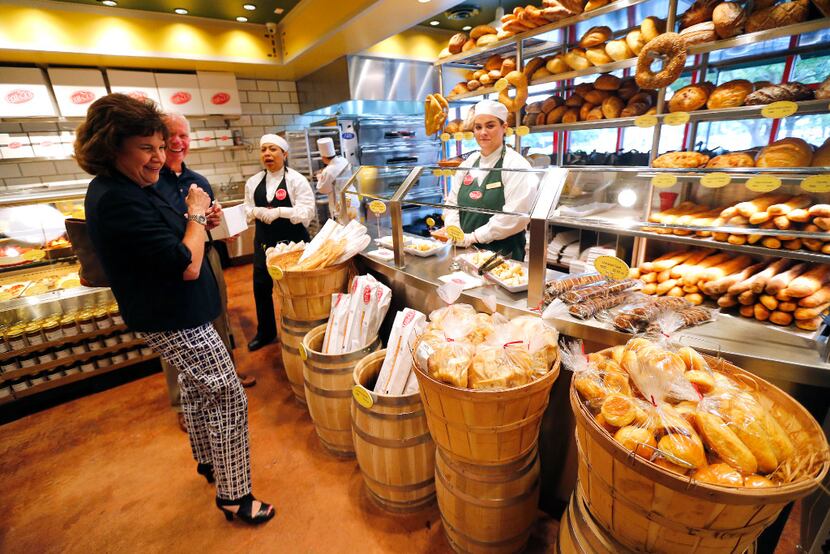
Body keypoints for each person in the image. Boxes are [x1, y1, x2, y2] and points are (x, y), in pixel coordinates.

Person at [79, 93, 274, 525]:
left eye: (161, 146)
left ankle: (208, 460)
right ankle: (235, 495)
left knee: (196, 388)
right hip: (175, 315)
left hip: (181, 311)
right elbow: (186, 264)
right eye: (147, 147)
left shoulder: (135, 186)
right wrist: (196, 219)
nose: (158, 157)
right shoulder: (116, 199)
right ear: (112, 147)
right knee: (227, 398)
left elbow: (184, 228)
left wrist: (199, 217)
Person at [155, 114, 255, 433]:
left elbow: (207, 223)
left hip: (208, 256)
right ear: (159, 138)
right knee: (178, 328)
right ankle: (181, 402)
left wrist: (222, 227)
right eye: (172, 135)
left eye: (184, 135)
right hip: (175, 264)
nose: (178, 141)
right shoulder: (152, 184)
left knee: (218, 314)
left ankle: (227, 371)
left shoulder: (197, 179)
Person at [243, 134, 316, 351]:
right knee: (261, 287)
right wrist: (255, 211)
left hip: (294, 244)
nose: (267, 153)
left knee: (297, 289)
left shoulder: (296, 180)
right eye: (264, 149)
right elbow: (245, 210)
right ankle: (265, 332)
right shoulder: (253, 182)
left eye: (273, 149)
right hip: (264, 244)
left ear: (284, 154)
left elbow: (307, 212)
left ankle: (306, 329)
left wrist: (280, 212)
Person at [442, 99, 537, 261]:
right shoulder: (469, 163)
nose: (483, 132)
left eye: (490, 126)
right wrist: (455, 231)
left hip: (503, 257)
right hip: (464, 253)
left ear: (504, 128)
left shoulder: (516, 165)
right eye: (478, 127)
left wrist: (474, 237)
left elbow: (515, 216)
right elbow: (451, 204)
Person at [314, 137, 351, 221]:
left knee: (343, 229)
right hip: (352, 198)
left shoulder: (328, 171)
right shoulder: (343, 160)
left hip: (340, 203)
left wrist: (319, 177)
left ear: (323, 157)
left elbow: (323, 189)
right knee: (355, 227)